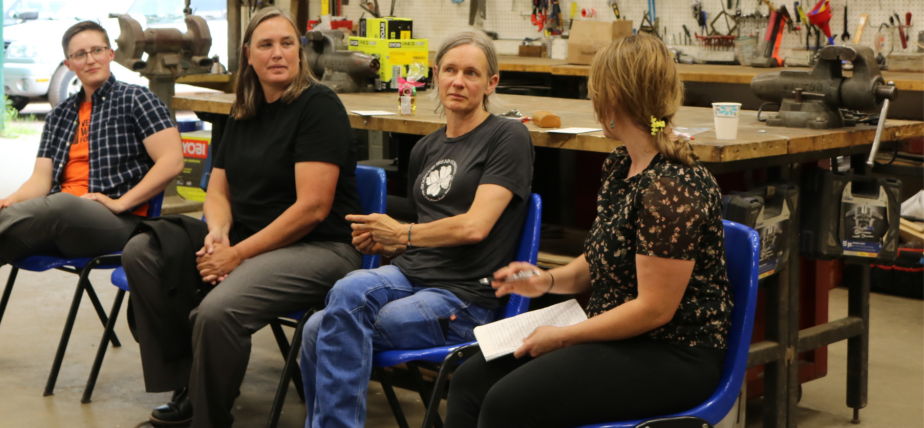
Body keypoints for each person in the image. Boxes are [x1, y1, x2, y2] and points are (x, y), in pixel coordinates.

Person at [444, 34, 734, 428]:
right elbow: (599, 261)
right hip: (620, 335)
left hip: (672, 352)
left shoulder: (670, 187)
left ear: (612, 97)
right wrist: (544, 280)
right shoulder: (621, 166)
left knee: (506, 404)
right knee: (469, 381)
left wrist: (565, 336)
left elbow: (654, 309)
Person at [0, 20, 183, 398]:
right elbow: (40, 182)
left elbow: (171, 161)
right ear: (68, 64)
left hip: (117, 222)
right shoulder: (60, 115)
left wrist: (120, 202)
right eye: (79, 54)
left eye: (96, 50)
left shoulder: (138, 100)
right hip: (56, 218)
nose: (89, 59)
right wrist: (7, 202)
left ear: (110, 54)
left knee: (59, 205)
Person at [121, 7, 363, 428]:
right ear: (248, 55)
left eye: (287, 44)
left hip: (320, 247)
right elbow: (217, 190)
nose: (278, 53)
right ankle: (190, 388)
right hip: (248, 239)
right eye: (266, 45)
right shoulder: (244, 109)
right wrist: (218, 233)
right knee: (144, 251)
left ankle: (208, 419)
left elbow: (312, 209)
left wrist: (237, 255)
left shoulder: (318, 106)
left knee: (219, 312)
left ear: (300, 52)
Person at [300, 30, 534, 428]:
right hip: (412, 276)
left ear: (491, 83)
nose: (458, 81)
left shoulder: (507, 136)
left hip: (463, 297)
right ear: (436, 75)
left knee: (326, 329)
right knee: (329, 309)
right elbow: (424, 230)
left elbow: (475, 227)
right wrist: (384, 238)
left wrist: (403, 234)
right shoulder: (426, 147)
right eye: (450, 70)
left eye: (472, 73)